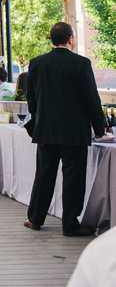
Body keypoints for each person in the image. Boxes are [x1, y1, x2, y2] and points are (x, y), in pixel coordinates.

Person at [25, 22, 105, 236]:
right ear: (71, 38)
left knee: (44, 174)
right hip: (74, 131)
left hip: (46, 129)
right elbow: (91, 99)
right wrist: (99, 128)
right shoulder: (81, 63)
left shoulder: (36, 63)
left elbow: (31, 97)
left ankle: (35, 218)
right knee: (73, 178)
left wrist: (38, 117)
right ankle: (70, 224)